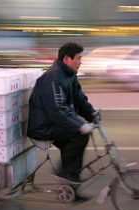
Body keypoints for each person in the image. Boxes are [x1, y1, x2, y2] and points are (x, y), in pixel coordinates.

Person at [27, 42, 97, 183]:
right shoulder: (53, 77)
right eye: (78, 58)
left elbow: (80, 99)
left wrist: (92, 115)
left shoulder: (69, 75)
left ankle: (69, 183)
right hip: (43, 127)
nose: (80, 62)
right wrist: (79, 125)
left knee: (72, 144)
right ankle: (67, 176)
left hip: (53, 123)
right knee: (80, 135)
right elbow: (57, 110)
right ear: (66, 59)